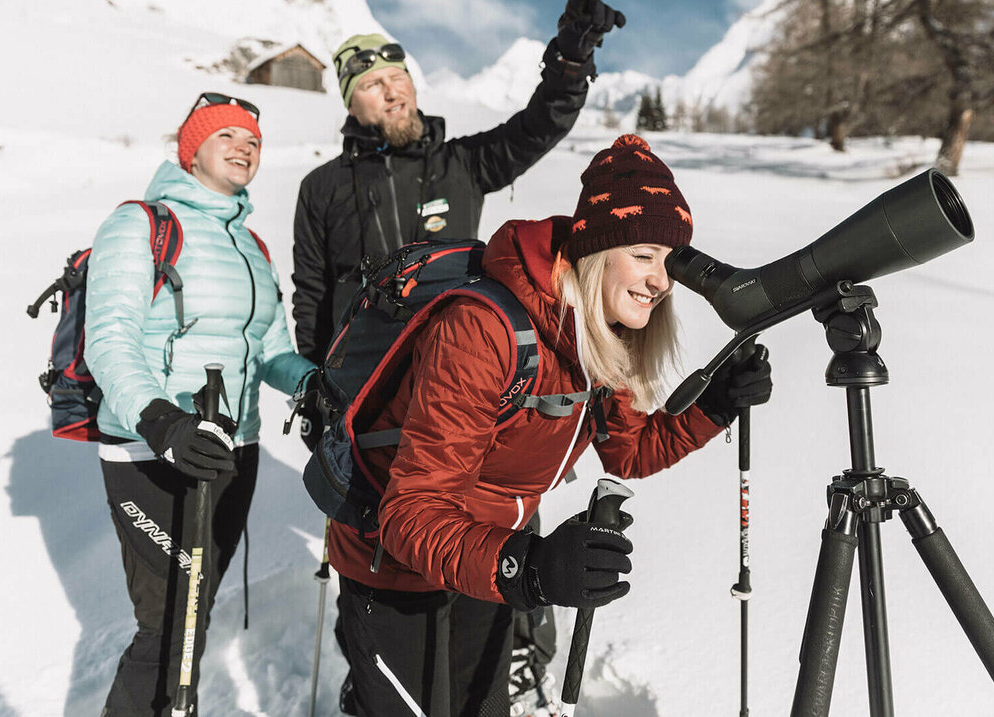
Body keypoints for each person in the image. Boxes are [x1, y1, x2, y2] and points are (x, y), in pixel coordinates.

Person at [327, 134, 774, 717]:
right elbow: (412, 514)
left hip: (486, 560)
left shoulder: (603, 333)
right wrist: (529, 568)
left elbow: (629, 454)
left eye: (672, 262)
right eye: (643, 254)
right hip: (395, 565)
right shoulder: (481, 330)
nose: (661, 281)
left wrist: (712, 409)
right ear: (596, 252)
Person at [292, 0, 624, 716]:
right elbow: (310, 294)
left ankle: (507, 654)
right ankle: (379, 674)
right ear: (351, 100)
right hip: (371, 418)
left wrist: (569, 60)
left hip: (477, 400)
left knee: (488, 542)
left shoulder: (461, 163)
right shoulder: (323, 190)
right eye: (374, 83)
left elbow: (540, 125)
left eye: (398, 77)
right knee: (385, 563)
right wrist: (315, 384)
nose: (393, 91)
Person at [85, 93, 316, 715]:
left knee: (197, 608)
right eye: (228, 136)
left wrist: (311, 383)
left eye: (254, 140)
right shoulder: (141, 224)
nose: (245, 147)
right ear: (192, 151)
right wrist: (162, 420)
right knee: (165, 624)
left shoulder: (253, 247)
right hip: (150, 448)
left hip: (231, 449)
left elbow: (269, 349)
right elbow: (109, 337)